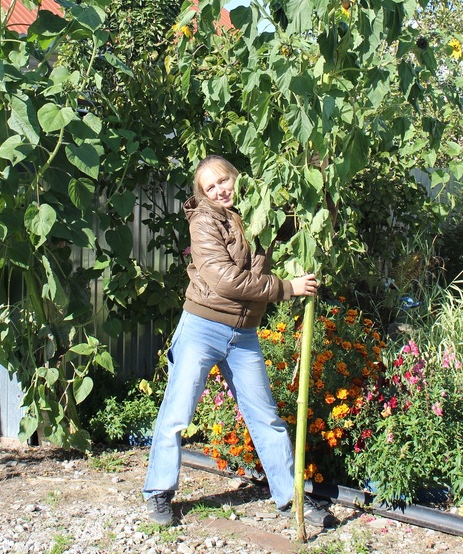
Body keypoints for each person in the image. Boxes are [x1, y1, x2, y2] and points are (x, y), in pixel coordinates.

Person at [143, 154, 337, 528]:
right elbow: (224, 279)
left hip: (244, 333)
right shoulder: (203, 221)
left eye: (223, 181)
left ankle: (291, 500)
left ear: (237, 178)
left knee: (266, 418)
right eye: (209, 186)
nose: (219, 190)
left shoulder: (258, 211)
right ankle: (158, 494)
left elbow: (309, 217)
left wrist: (318, 173)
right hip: (203, 326)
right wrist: (287, 288)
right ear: (202, 194)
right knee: (177, 414)